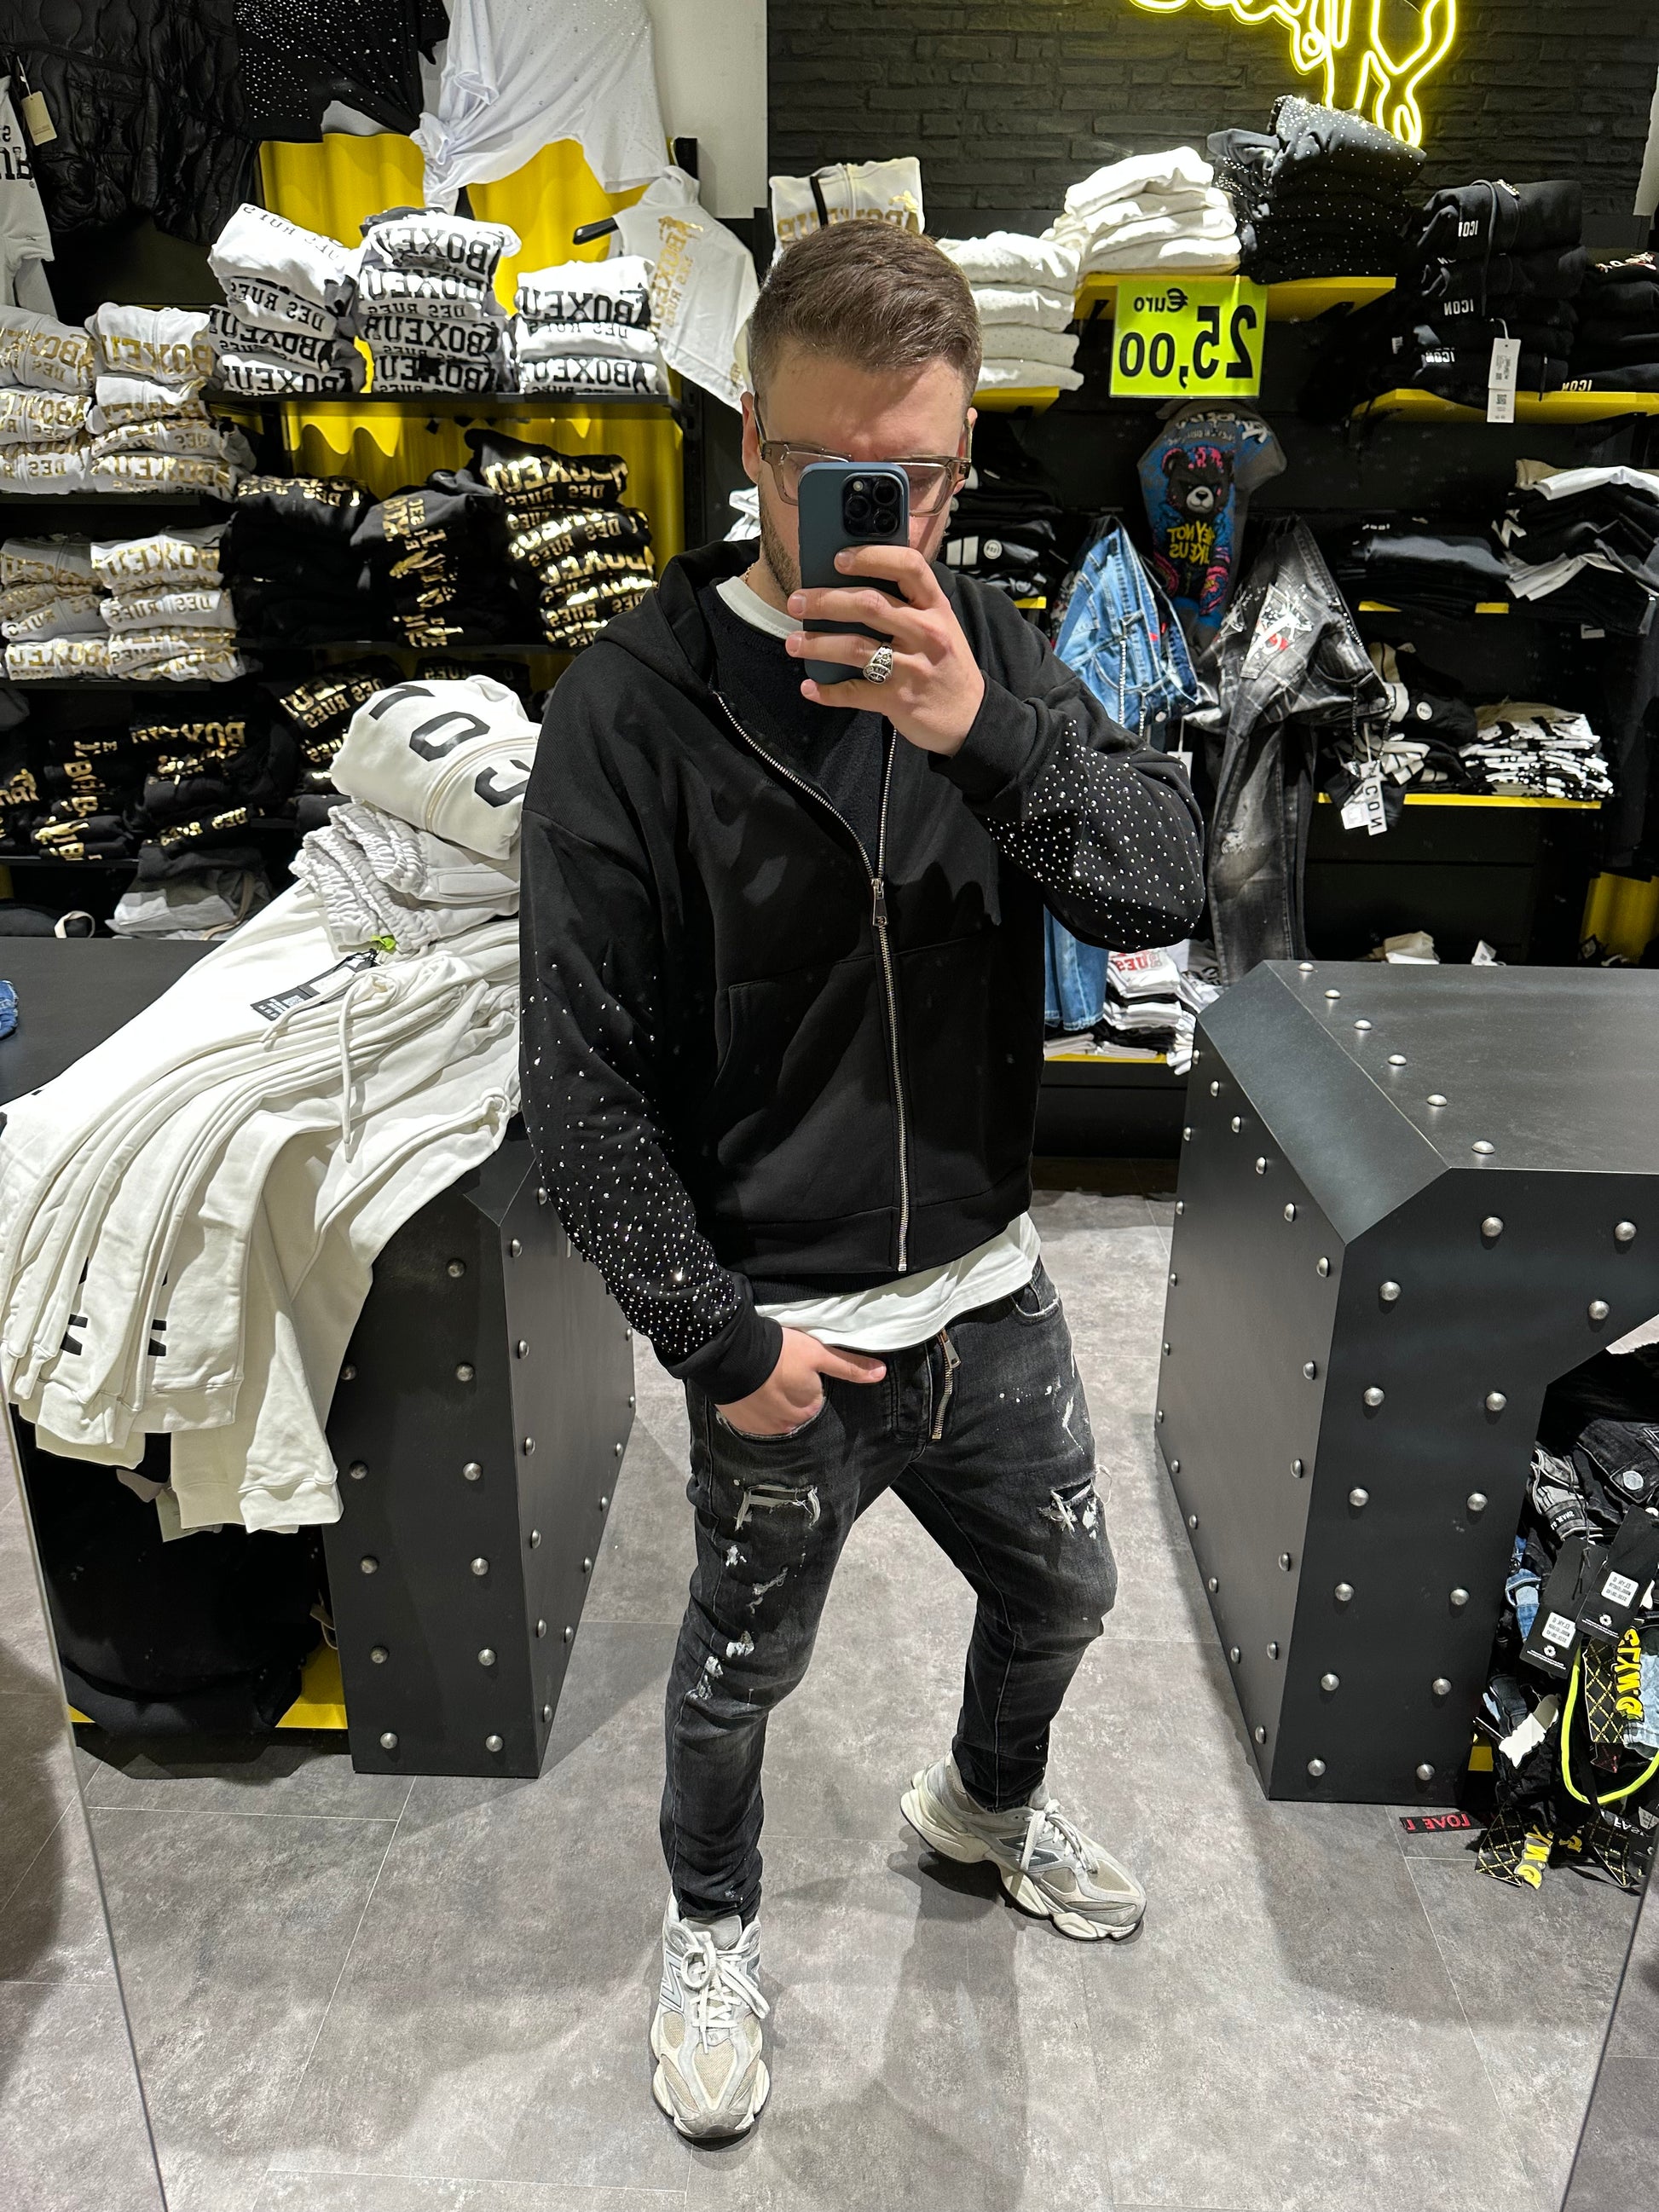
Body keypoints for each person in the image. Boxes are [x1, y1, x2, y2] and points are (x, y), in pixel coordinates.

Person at [520, 220, 1205, 2141]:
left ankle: (979, 1809)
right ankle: (710, 1924)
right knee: (739, 1673)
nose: (873, 515)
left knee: (1063, 1592)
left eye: (916, 478)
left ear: (962, 466)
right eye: (830, 470)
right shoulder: (631, 708)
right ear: (750, 442)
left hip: (988, 1284)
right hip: (786, 1331)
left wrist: (986, 741)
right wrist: (714, 1338)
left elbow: (1158, 886)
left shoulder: (995, 655)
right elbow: (575, 1086)